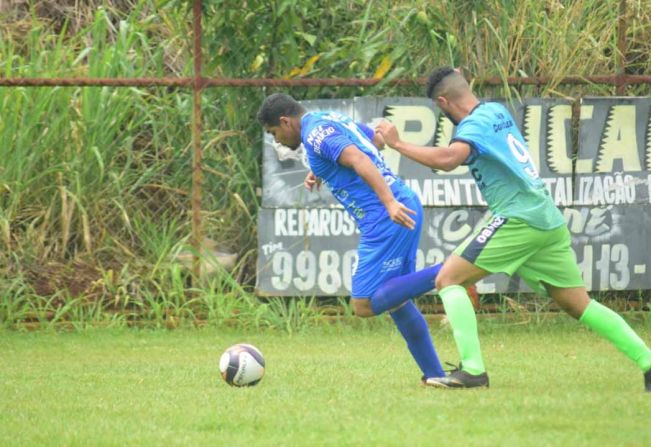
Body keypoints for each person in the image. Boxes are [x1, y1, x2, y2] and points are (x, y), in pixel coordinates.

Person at [375, 66, 651, 391]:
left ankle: (474, 371)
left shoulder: (474, 126)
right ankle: (648, 362)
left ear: (443, 101)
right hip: (545, 218)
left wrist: (398, 144)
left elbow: (450, 158)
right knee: (579, 304)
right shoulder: (494, 110)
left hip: (518, 216)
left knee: (448, 278)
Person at [257, 93, 475, 383]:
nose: (277, 141)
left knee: (364, 303)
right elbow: (374, 140)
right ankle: (433, 375)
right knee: (396, 301)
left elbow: (359, 157)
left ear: (285, 122)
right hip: (403, 204)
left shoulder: (315, 135)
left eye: (274, 133)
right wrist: (323, 169)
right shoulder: (328, 120)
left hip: (387, 217)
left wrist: (387, 203)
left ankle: (455, 269)